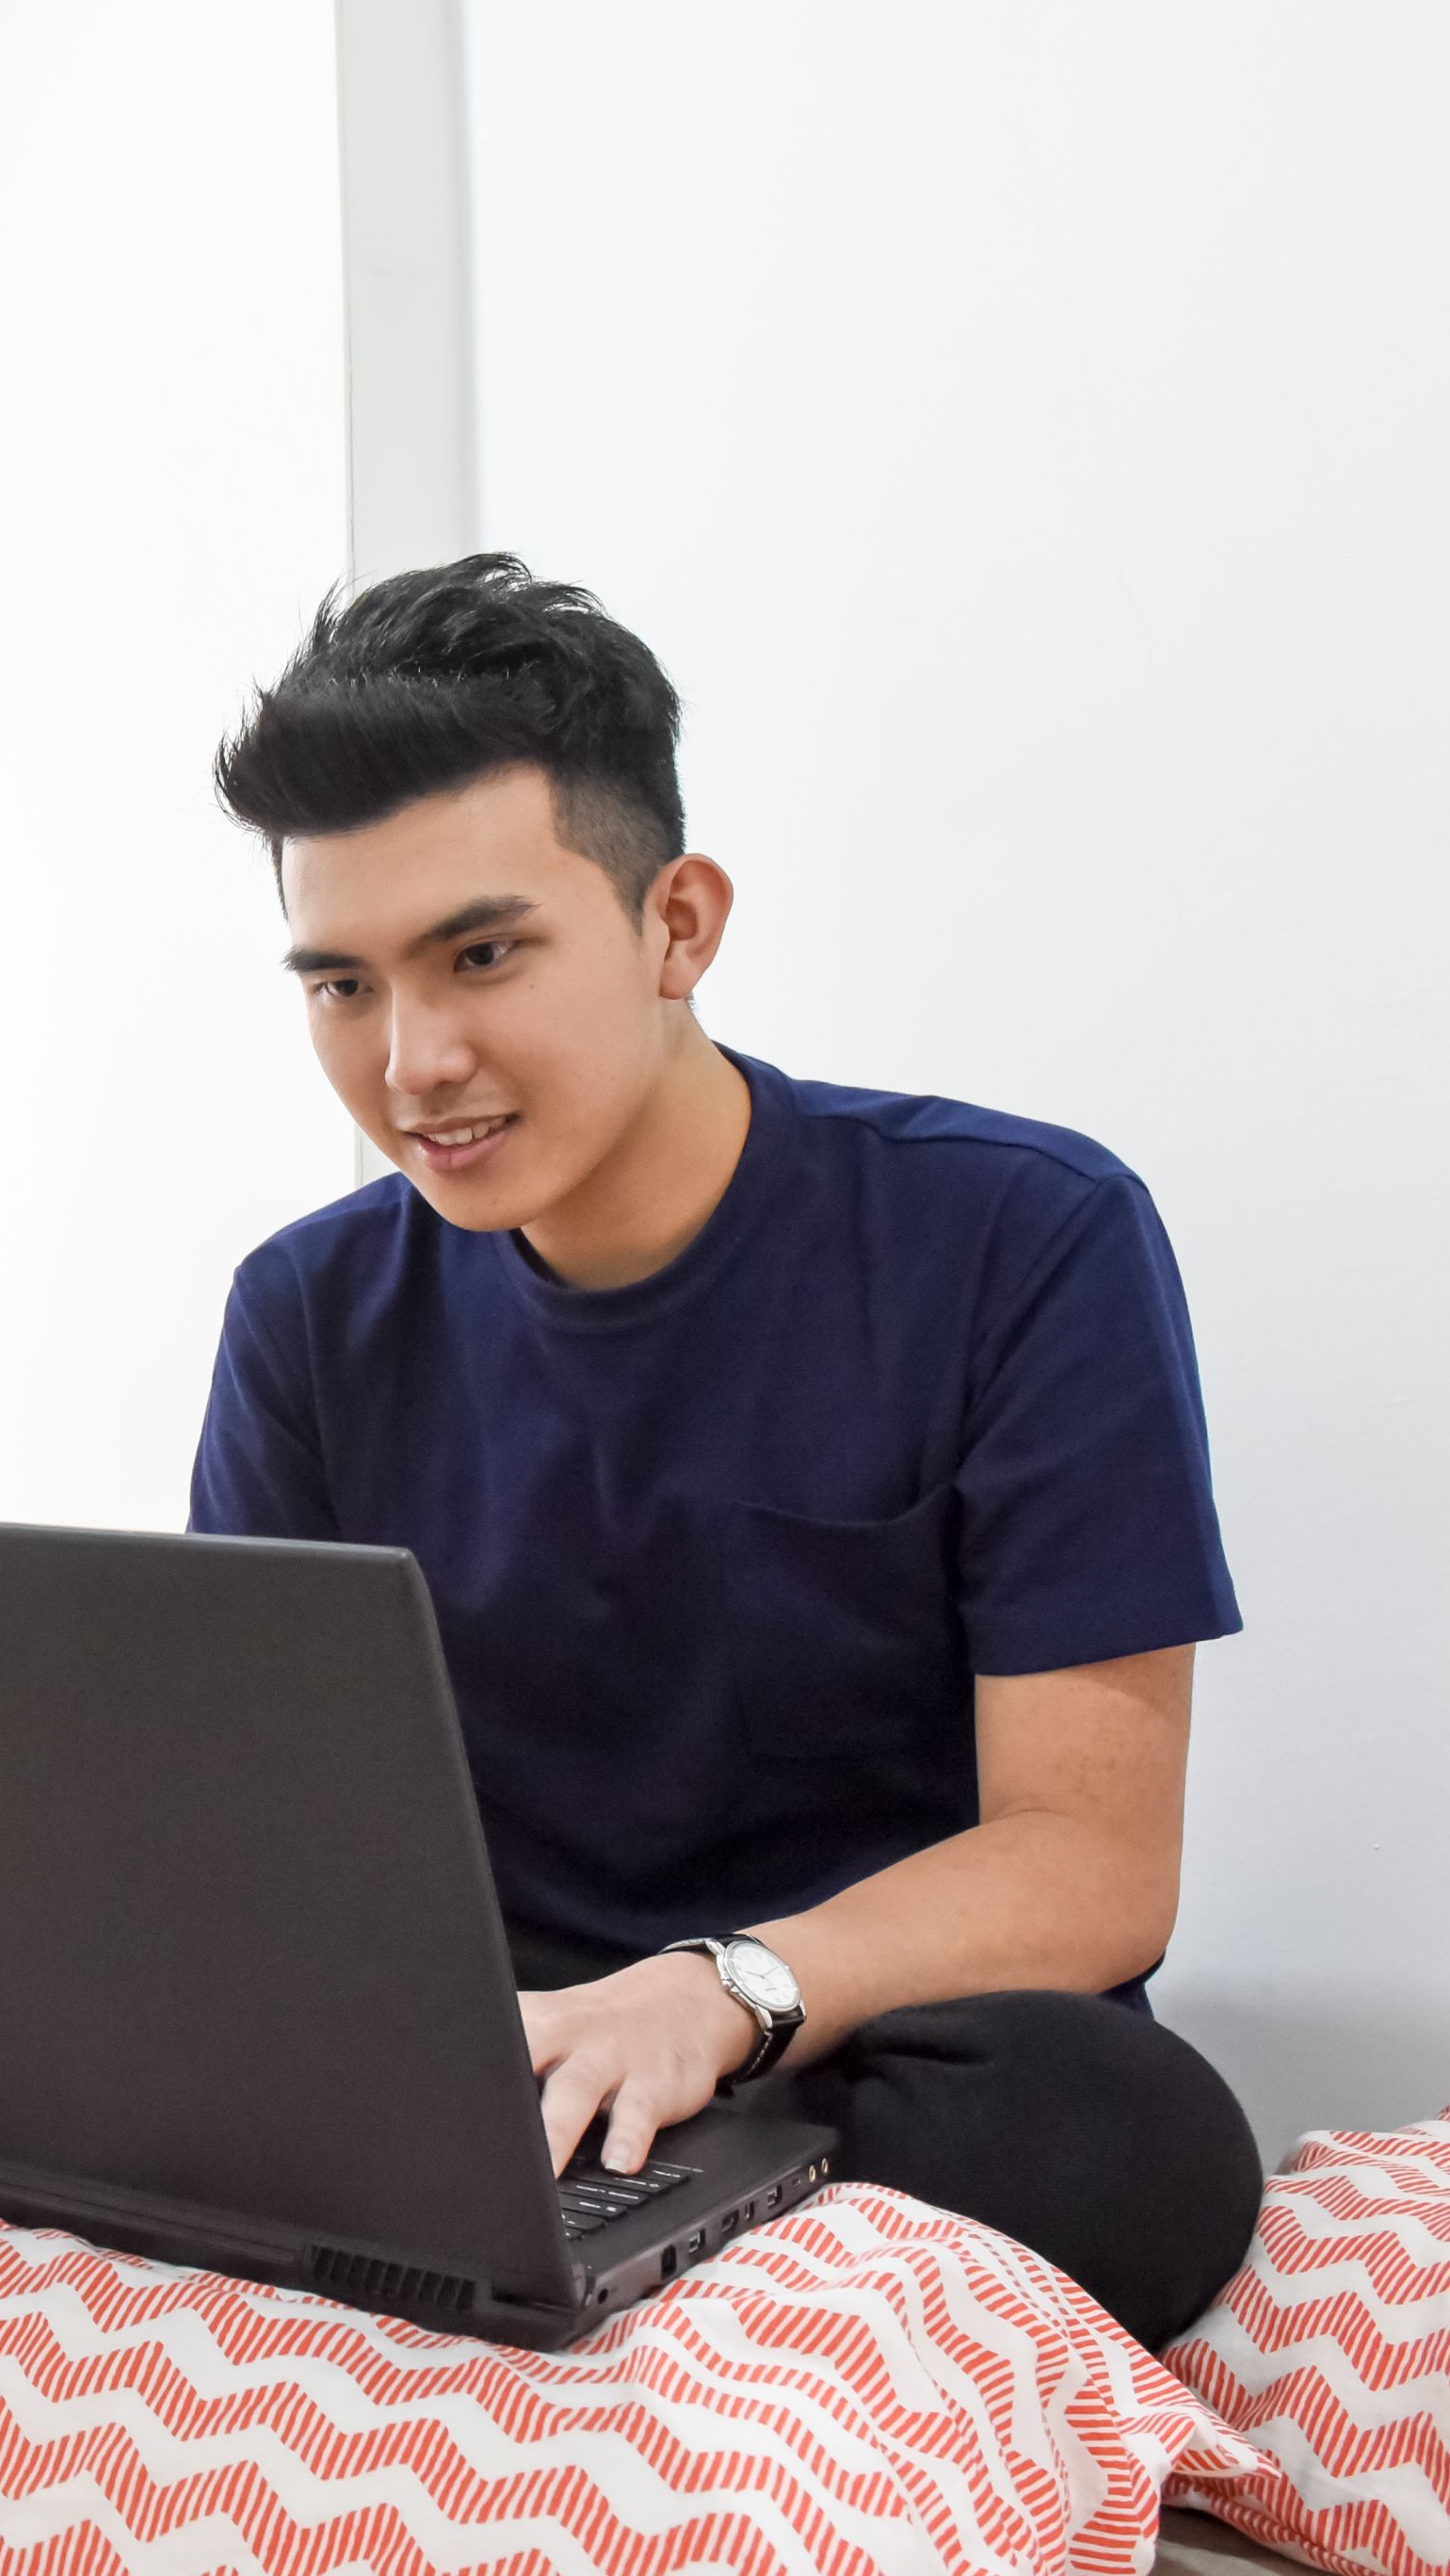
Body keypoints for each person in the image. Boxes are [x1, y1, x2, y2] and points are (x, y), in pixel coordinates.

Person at [188, 556, 1265, 2347]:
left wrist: (719, 1994)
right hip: (511, 2066)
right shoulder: (304, 1315)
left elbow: (1091, 1865)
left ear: (678, 923)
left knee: (1121, 2137)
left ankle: (687, 2284)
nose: (414, 1060)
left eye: (481, 954)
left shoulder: (1021, 1236)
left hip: (871, 2055)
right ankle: (627, 2276)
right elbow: (277, 1841)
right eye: (343, 987)